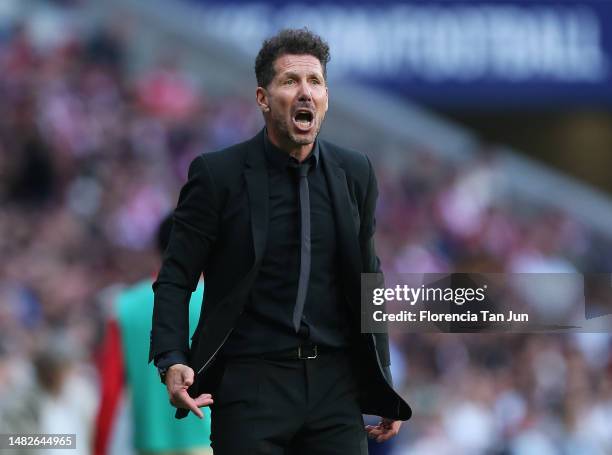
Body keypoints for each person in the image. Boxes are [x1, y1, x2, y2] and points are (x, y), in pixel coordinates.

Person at [150, 28, 411, 454]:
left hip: (335, 387)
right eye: (291, 81)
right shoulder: (218, 176)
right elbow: (176, 276)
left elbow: (370, 280)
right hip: (251, 384)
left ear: (326, 96)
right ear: (262, 98)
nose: (305, 91)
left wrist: (382, 375)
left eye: (315, 81)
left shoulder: (355, 172)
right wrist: (172, 359)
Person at [95, 215, 212, 455]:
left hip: (149, 444)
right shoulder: (215, 302)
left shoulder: (124, 307)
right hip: (211, 440)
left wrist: (98, 448)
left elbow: (110, 391)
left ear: (157, 249)